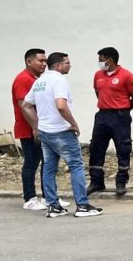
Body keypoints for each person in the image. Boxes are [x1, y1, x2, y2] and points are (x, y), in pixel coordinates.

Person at [20, 52, 102, 218]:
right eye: (67, 63)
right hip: (61, 131)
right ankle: (82, 206)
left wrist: (37, 125)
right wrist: (73, 123)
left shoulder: (40, 81)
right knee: (76, 165)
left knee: (49, 168)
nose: (69, 65)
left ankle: (53, 206)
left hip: (45, 132)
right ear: (58, 65)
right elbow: (61, 105)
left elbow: (26, 105)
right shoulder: (59, 80)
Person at [12, 47, 69, 211]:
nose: (44, 64)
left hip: (42, 128)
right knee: (31, 162)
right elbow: (24, 106)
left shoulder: (37, 79)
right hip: (29, 128)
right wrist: (35, 128)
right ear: (29, 61)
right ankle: (29, 198)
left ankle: (48, 197)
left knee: (48, 162)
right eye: (41, 60)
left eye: (45, 61)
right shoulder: (23, 79)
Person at [88, 47, 133, 197]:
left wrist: (123, 110)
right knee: (96, 148)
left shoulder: (127, 76)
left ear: (109, 60)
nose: (99, 62)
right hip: (102, 116)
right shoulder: (98, 75)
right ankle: (96, 181)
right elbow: (98, 93)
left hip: (120, 117)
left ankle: (121, 181)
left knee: (123, 148)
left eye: (101, 59)